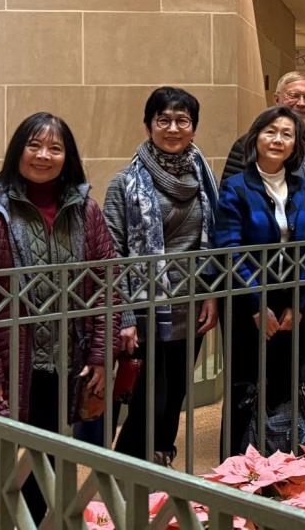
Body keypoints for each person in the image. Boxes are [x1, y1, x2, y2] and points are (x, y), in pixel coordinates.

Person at [0, 112, 129, 521]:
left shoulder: (85, 210)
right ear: (18, 151)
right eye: (34, 145)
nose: (43, 156)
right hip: (6, 364)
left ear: (67, 157)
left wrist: (100, 354)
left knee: (47, 458)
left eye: (55, 148)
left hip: (64, 363)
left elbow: (107, 286)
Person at [103, 87, 221, 466]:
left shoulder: (204, 178)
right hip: (145, 309)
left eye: (182, 120)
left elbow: (212, 244)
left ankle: (161, 459)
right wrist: (123, 315)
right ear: (148, 125)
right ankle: (130, 472)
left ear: (193, 127)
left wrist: (211, 294)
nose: (173, 128)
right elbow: (112, 256)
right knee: (147, 400)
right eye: (163, 120)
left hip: (191, 305)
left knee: (175, 396)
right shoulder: (125, 183)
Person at [214, 106, 305, 455]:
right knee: (245, 387)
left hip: (291, 301)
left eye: (287, 134)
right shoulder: (236, 187)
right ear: (255, 138)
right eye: (270, 132)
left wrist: (297, 303)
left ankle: (282, 465)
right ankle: (237, 468)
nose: (278, 139)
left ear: (296, 144)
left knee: (285, 385)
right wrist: (257, 304)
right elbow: (229, 250)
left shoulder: (304, 188)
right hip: (246, 301)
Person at [221, 71, 305, 191]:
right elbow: (231, 193)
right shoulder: (249, 144)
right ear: (276, 99)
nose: (302, 103)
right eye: (294, 96)